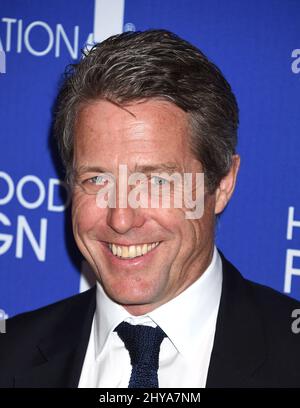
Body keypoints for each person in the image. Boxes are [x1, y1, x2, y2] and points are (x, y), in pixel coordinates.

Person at [0, 29, 299, 388]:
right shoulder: (9, 353)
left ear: (222, 184)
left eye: (156, 182)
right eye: (97, 180)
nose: (121, 219)